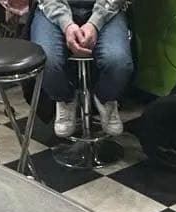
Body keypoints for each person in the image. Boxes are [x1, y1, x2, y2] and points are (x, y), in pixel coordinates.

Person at [31, 0, 132, 137]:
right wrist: (66, 24)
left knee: (118, 62)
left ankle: (106, 98)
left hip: (107, 7)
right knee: (46, 61)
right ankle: (65, 99)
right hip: (52, 6)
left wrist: (95, 23)